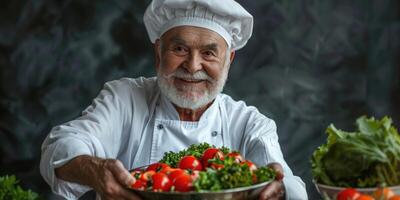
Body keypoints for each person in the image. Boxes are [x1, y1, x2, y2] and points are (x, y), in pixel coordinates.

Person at [40, 0, 308, 199]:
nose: (192, 66)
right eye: (180, 49)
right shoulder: (124, 99)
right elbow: (61, 146)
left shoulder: (249, 123)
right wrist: (94, 169)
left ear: (229, 60)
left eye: (209, 53)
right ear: (159, 52)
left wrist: (279, 186)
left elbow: (291, 187)